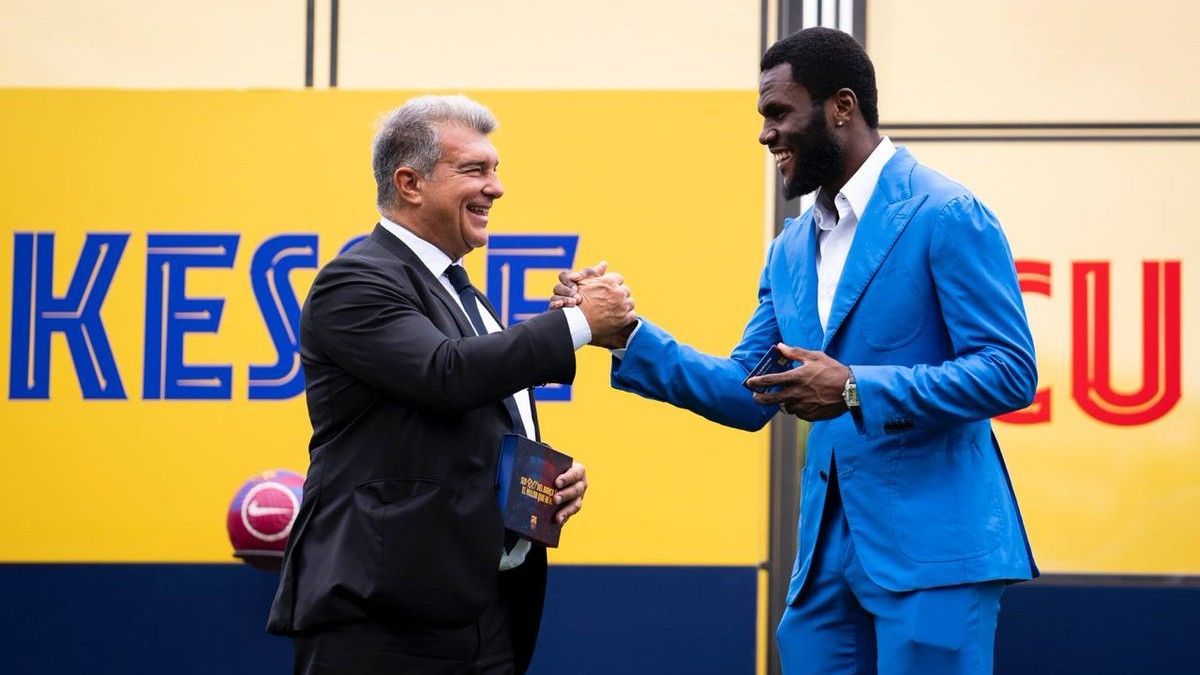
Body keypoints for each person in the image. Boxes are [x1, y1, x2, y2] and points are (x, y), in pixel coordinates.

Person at [555, 28, 1037, 675]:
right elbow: (745, 389)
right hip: (822, 570)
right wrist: (628, 337)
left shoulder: (948, 213)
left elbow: (1009, 370)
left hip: (935, 556)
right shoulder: (789, 250)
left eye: (779, 113)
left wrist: (856, 387)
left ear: (842, 107)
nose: (765, 134)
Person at [267, 94, 636, 675]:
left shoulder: (460, 293)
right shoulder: (355, 279)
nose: (497, 187)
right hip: (383, 620)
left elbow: (471, 412)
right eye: (475, 170)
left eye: (496, 169)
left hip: (485, 616)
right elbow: (446, 374)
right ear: (409, 183)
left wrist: (546, 483)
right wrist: (578, 322)